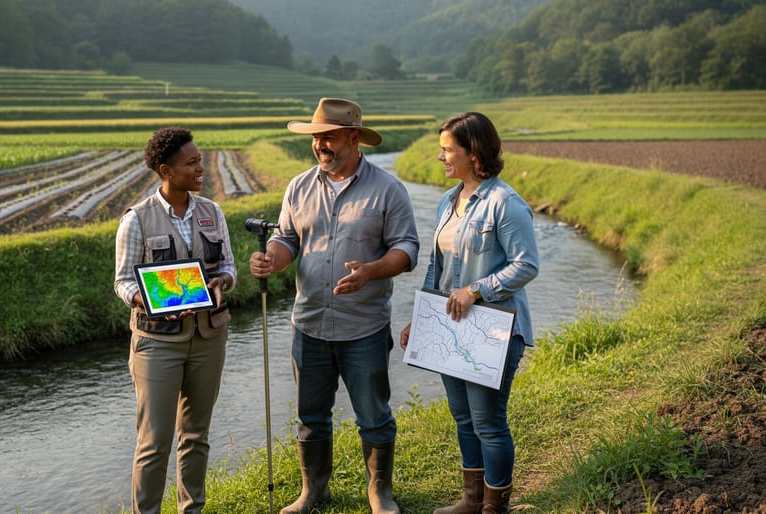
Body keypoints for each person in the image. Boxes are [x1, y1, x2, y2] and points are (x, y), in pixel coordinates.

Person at [249, 98, 419, 514]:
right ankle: (314, 491)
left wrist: (372, 271)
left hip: (364, 326)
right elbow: (287, 239)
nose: (320, 145)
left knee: (374, 415)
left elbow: (407, 248)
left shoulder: (388, 189)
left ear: (354, 137)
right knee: (311, 415)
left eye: (328, 137)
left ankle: (379, 494)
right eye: (316, 138)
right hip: (308, 323)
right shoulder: (299, 186)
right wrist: (272, 258)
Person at [400, 112, 539, 514]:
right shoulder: (449, 199)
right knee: (464, 420)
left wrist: (476, 289)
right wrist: (422, 318)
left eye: (447, 150)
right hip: (451, 328)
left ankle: (495, 508)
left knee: (488, 423)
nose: (440, 156)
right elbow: (435, 266)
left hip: (493, 333)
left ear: (473, 152)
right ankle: (471, 500)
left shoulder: (505, 203)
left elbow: (526, 265)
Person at [114, 126, 237, 514]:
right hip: (157, 343)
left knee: (196, 435)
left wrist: (222, 281)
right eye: (193, 163)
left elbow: (229, 265)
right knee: (154, 441)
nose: (202, 167)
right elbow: (121, 281)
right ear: (166, 170)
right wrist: (150, 301)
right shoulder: (136, 220)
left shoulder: (212, 212)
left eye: (200, 160)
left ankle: (192, 509)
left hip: (209, 337)